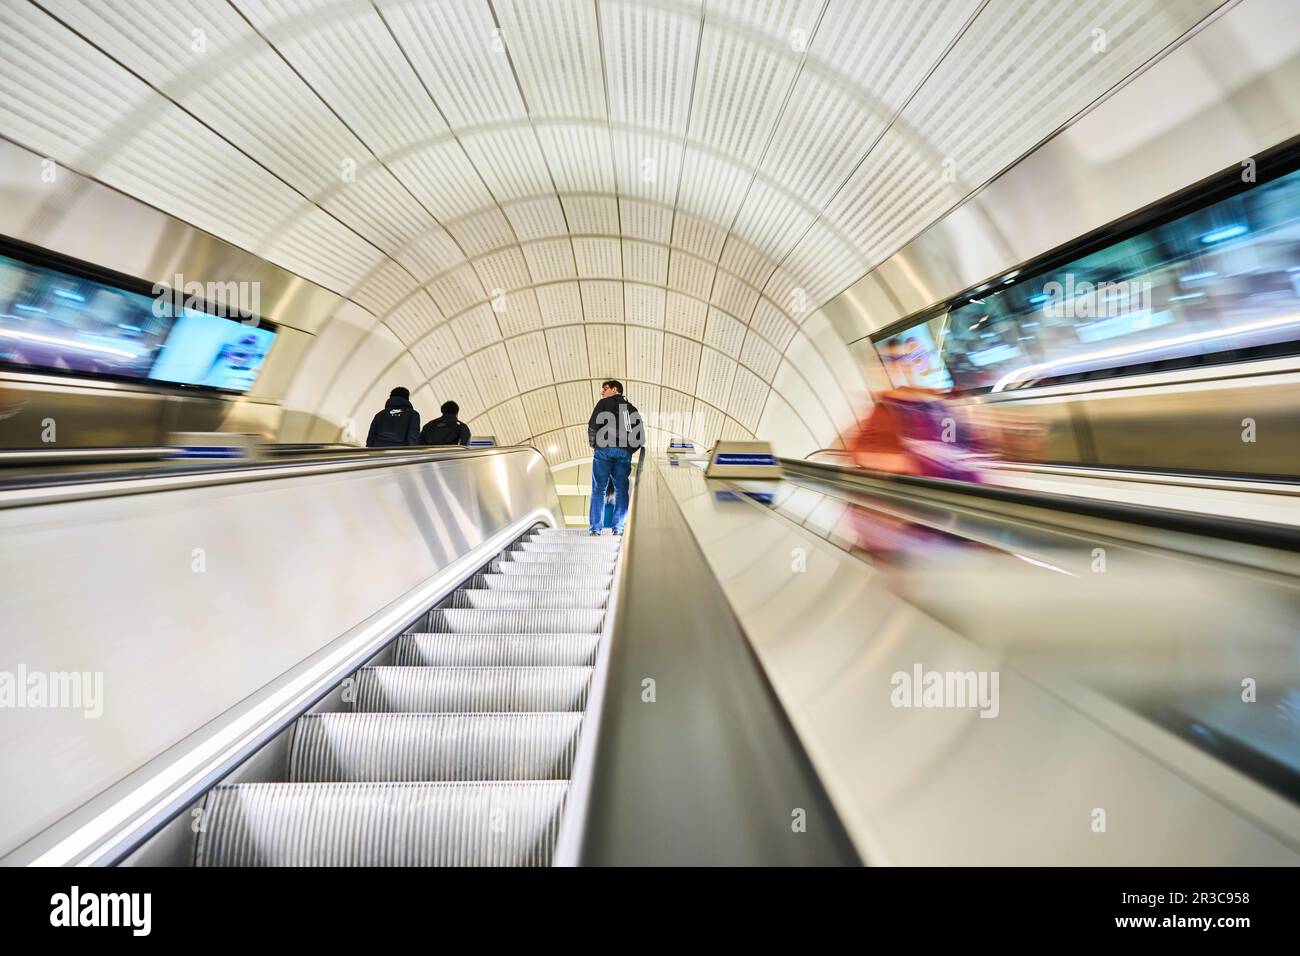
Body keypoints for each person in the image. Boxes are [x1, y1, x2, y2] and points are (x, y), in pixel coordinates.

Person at [587, 379, 643, 535]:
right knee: (621, 489)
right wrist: (628, 450)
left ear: (615, 389)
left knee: (598, 489)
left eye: (605, 389)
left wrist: (595, 444)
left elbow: (593, 425)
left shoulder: (603, 403)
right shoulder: (629, 409)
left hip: (603, 450)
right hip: (623, 453)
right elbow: (639, 436)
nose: (602, 392)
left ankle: (595, 529)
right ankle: (618, 529)